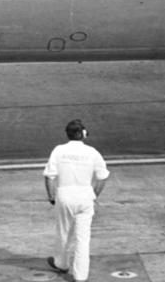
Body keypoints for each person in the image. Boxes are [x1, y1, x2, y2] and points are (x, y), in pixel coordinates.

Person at [43, 119, 109, 282]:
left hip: (64, 196)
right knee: (83, 238)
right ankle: (80, 276)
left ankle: (62, 263)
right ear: (82, 134)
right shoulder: (92, 152)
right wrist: (93, 195)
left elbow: (50, 176)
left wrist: (51, 196)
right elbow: (102, 177)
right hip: (85, 197)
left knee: (63, 232)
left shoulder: (58, 150)